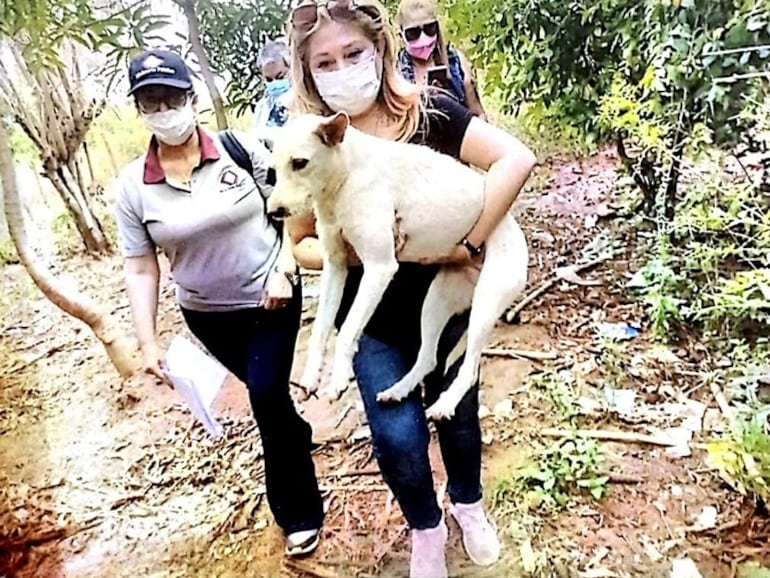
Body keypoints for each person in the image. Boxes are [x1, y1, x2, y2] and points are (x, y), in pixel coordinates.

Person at [286, 2, 536, 577]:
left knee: (459, 416)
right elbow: (301, 241)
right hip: (370, 318)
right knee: (395, 436)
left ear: (381, 51)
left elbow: (513, 160)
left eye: (353, 54)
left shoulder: (430, 116)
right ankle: (426, 526)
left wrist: (469, 246)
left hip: (447, 295)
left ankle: (468, 506)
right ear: (307, 72)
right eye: (325, 61)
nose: (342, 68)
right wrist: (344, 252)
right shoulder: (311, 145)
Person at [113, 49, 324, 556]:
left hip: (272, 294)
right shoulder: (132, 187)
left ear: (192, 98)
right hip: (206, 317)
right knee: (272, 399)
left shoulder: (241, 149)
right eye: (151, 100)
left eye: (172, 97)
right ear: (139, 108)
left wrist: (286, 268)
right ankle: (297, 433)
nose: (164, 109)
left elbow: (291, 209)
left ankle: (298, 512)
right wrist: (147, 341)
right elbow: (142, 265)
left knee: (265, 395)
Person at [395, 0, 487, 119]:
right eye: (413, 33)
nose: (423, 38)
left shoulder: (455, 63)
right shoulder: (395, 71)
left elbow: (478, 113)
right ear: (401, 35)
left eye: (429, 28)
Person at [252, 38, 292, 133]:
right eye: (269, 80)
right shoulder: (261, 108)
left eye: (281, 77)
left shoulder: (308, 102)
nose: (275, 83)